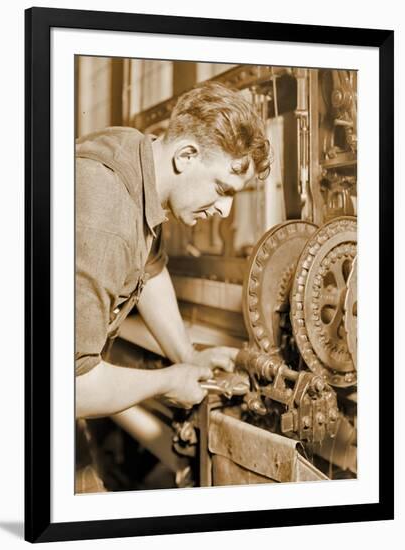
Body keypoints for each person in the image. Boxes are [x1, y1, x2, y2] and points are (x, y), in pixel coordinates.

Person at [74, 81, 270, 490]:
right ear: (186, 155)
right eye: (221, 189)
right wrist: (169, 381)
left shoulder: (136, 156)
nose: (224, 210)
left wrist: (187, 355)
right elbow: (68, 386)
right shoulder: (105, 215)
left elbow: (150, 268)